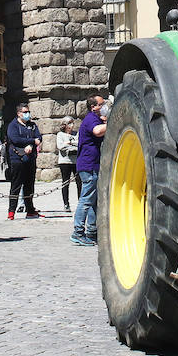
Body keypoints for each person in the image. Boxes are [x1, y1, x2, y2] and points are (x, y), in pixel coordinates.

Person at [72, 95, 107, 247]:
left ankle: (92, 232)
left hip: (93, 165)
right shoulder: (91, 118)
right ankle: (78, 232)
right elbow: (98, 131)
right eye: (102, 104)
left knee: (94, 200)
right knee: (86, 200)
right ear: (94, 107)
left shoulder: (96, 118)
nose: (104, 106)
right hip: (88, 165)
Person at [5, 103, 41, 219]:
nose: (27, 114)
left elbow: (38, 138)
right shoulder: (13, 125)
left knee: (29, 185)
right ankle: (11, 211)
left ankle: (30, 210)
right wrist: (31, 141)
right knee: (16, 185)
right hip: (17, 158)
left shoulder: (32, 125)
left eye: (28, 112)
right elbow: (15, 139)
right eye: (25, 112)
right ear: (19, 113)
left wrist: (31, 144)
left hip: (30, 158)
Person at [54, 117, 79, 211]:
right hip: (65, 161)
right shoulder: (60, 134)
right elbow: (60, 146)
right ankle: (66, 203)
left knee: (79, 182)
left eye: (73, 123)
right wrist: (72, 145)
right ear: (65, 125)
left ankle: (80, 202)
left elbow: (80, 144)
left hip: (75, 161)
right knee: (65, 182)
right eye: (70, 123)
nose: (72, 125)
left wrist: (70, 143)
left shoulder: (76, 134)